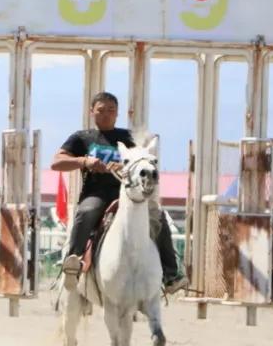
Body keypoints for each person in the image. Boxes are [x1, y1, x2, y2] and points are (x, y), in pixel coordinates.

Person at [51, 91, 189, 294]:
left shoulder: (128, 137)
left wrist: (126, 165)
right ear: (92, 112)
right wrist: (84, 161)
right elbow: (56, 162)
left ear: (117, 114)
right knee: (86, 212)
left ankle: (171, 274)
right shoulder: (82, 138)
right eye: (101, 110)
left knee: (157, 216)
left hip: (129, 195)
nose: (106, 114)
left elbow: (143, 159)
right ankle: (74, 263)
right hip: (96, 194)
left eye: (111, 110)